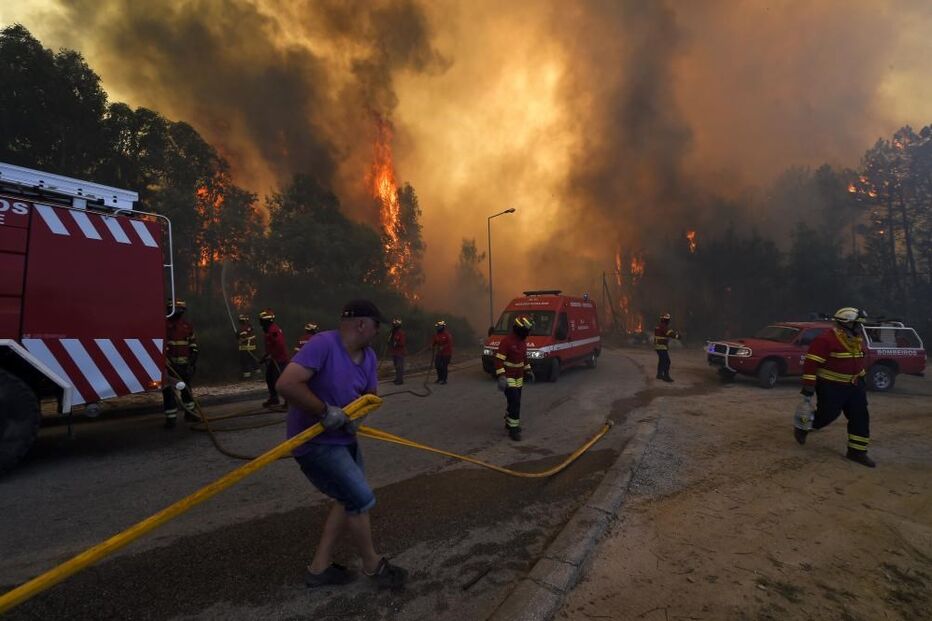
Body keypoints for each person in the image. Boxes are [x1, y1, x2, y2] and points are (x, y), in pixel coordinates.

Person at [275, 299, 408, 590]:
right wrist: (324, 412)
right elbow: (286, 384)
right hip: (316, 444)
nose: (377, 332)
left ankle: (319, 569)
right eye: (376, 325)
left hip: (345, 439)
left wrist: (357, 417)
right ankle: (373, 566)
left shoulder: (369, 356)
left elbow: (370, 396)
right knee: (359, 499)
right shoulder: (323, 344)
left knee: (346, 498)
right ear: (361, 324)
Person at [794, 307, 876, 467]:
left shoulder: (857, 339)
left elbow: (859, 361)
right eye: (857, 324)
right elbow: (811, 364)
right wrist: (809, 386)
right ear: (846, 323)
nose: (860, 327)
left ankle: (857, 452)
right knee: (827, 414)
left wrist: (862, 379)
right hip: (831, 386)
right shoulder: (825, 340)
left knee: (860, 417)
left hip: (855, 387)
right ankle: (803, 426)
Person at [495, 315, 535, 441]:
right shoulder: (506, 342)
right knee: (515, 402)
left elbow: (524, 359)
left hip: (519, 377)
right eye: (526, 331)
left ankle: (509, 421)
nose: (528, 334)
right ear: (519, 329)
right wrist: (501, 376)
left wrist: (528, 370)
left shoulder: (522, 342)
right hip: (508, 377)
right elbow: (498, 360)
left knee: (513, 402)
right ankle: (513, 429)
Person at [162, 299, 199, 428]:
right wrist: (171, 365)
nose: (179, 313)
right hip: (169, 367)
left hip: (184, 366)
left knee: (187, 390)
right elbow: (161, 349)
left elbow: (193, 345)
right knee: (169, 392)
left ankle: (190, 414)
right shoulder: (163, 326)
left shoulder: (187, 326)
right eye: (176, 310)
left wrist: (192, 361)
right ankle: (171, 419)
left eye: (180, 310)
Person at [259, 309, 289, 408]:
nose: (260, 324)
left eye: (262, 321)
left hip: (280, 360)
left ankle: (289, 401)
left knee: (279, 381)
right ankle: (274, 398)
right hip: (274, 359)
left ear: (266, 321)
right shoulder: (268, 331)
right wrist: (265, 357)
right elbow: (270, 346)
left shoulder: (273, 331)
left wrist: (272, 355)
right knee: (269, 377)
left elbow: (279, 345)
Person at [653, 313, 680, 382]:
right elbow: (669, 333)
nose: (668, 321)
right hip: (662, 347)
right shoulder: (663, 326)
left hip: (658, 346)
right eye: (667, 320)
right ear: (665, 320)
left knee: (662, 360)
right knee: (667, 361)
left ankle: (659, 374)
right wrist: (677, 336)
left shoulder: (658, 326)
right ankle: (666, 376)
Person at [431, 320, 453, 384]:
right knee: (437, 365)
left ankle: (444, 380)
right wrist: (432, 346)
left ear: (443, 327)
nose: (438, 328)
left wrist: (443, 347)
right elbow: (434, 342)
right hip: (439, 353)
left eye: (439, 326)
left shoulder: (447, 335)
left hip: (447, 354)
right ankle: (439, 378)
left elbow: (450, 343)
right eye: (437, 327)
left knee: (444, 366)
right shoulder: (436, 335)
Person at [237, 314, 259, 380]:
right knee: (253, 361)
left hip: (245, 348)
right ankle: (258, 374)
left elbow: (242, 337)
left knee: (245, 362)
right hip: (252, 347)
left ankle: (247, 377)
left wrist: (238, 337)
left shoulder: (242, 329)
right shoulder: (250, 327)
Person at [388, 319, 406, 385]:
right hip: (394, 352)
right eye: (393, 325)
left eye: (395, 325)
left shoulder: (401, 333)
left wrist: (396, 343)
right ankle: (397, 378)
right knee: (396, 366)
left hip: (400, 352)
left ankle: (400, 380)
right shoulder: (393, 333)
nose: (393, 326)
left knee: (399, 366)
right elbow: (390, 341)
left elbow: (402, 343)